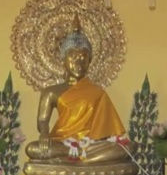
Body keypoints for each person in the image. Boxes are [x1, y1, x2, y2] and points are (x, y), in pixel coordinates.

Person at [25, 15, 127, 164]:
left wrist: (96, 142)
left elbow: (106, 131)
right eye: (73, 56)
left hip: (91, 145)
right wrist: (44, 134)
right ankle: (81, 156)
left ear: (90, 61)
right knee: (33, 149)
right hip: (62, 143)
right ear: (63, 60)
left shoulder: (98, 93)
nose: (78, 62)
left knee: (126, 148)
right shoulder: (51, 92)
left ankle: (78, 155)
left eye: (83, 58)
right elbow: (42, 121)